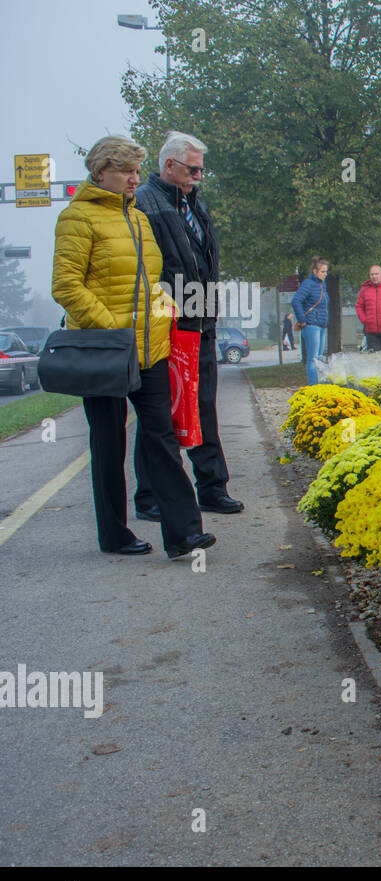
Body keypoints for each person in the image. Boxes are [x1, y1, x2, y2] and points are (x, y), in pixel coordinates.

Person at [51, 135, 215, 560]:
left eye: (137, 170)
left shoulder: (138, 218)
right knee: (109, 444)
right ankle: (114, 533)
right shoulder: (77, 218)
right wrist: (112, 331)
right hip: (105, 351)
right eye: (126, 170)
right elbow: (66, 286)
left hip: (151, 350)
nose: (133, 178)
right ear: (100, 171)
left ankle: (184, 534)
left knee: (162, 437)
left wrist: (166, 315)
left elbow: (152, 283)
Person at [131, 131, 243, 519]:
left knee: (203, 407)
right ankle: (150, 497)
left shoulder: (195, 206)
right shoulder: (144, 204)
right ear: (169, 165)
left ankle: (212, 488)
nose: (198, 175)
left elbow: (204, 262)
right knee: (161, 413)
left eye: (201, 169)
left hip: (200, 321)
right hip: (167, 324)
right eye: (193, 168)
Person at [292, 257, 330, 386]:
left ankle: (318, 385)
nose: (325, 274)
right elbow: (296, 300)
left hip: (322, 324)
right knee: (313, 359)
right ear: (315, 271)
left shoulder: (322, 285)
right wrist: (302, 320)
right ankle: (313, 386)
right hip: (312, 324)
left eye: (326, 272)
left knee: (319, 358)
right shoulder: (308, 284)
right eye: (322, 271)